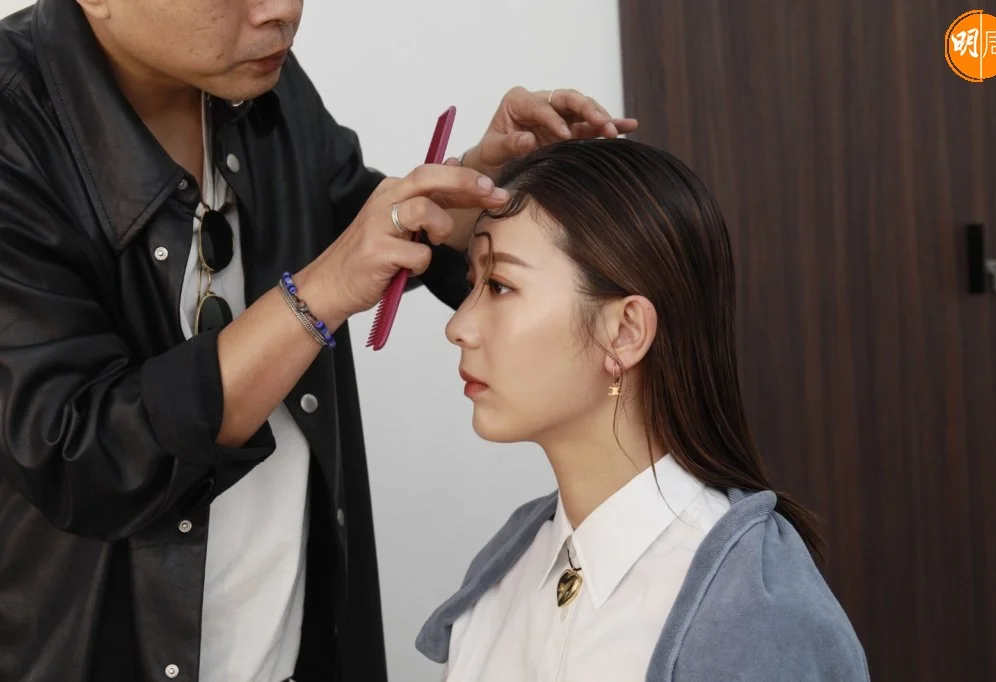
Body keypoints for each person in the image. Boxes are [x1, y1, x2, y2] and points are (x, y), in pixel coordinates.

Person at [0, 0, 637, 680]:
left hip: (295, 644)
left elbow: (347, 223)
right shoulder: (18, 128)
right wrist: (319, 294)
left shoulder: (256, 79)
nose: (281, 10)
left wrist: (472, 191)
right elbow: (79, 450)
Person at [416, 138, 869, 681]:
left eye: (500, 286)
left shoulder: (751, 610)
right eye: (473, 285)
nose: (458, 326)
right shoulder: (503, 574)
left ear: (625, 332)